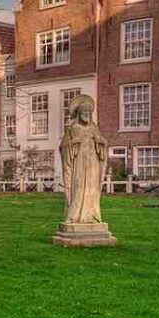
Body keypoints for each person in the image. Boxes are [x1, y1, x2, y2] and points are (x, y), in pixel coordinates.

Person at [59, 94, 107, 224]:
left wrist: (100, 143)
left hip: (93, 165)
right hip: (79, 165)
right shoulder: (72, 129)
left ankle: (92, 215)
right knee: (79, 187)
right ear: (79, 113)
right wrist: (72, 143)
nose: (86, 114)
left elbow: (103, 146)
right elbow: (63, 146)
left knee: (92, 189)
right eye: (84, 112)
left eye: (88, 112)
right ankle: (74, 216)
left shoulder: (95, 128)